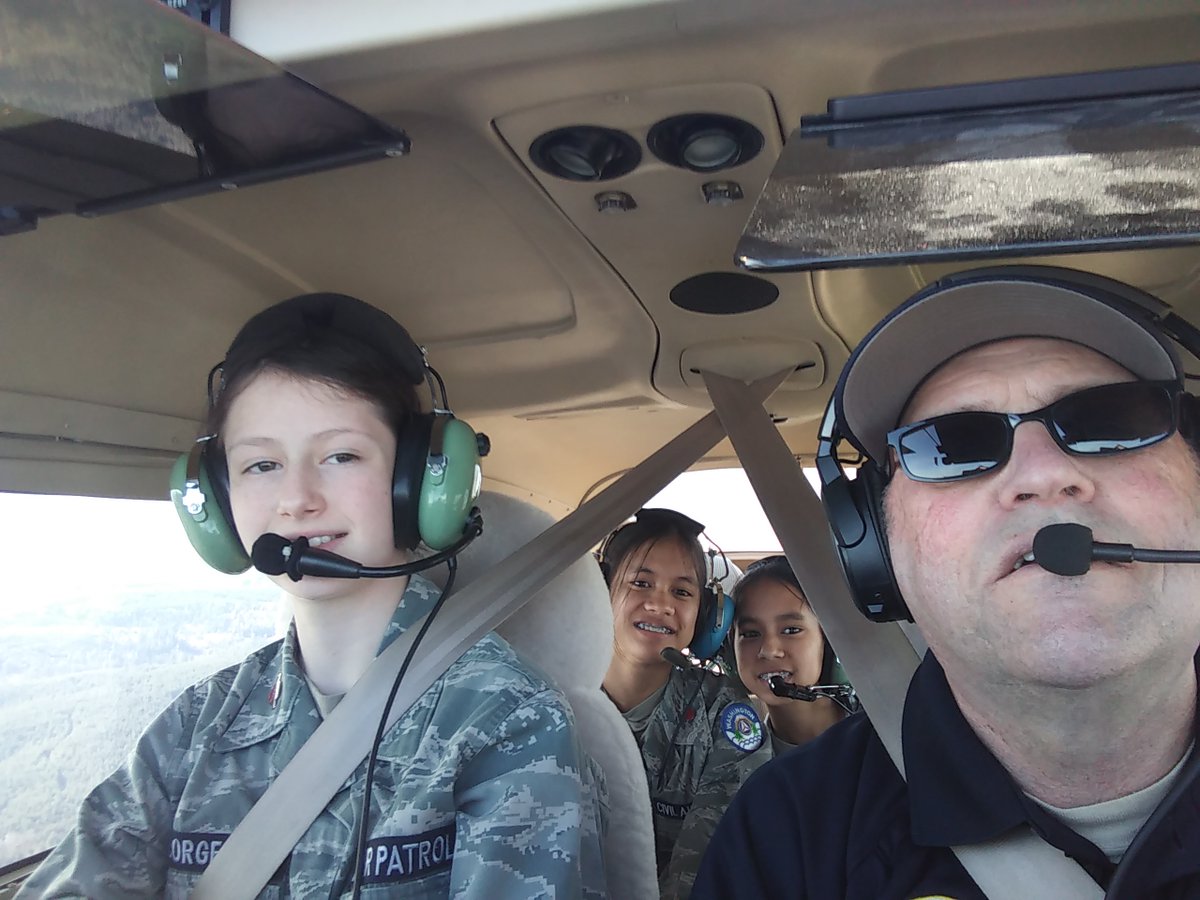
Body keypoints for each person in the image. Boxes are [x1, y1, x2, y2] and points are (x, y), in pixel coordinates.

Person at [18, 292, 607, 899]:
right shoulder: (194, 729)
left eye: (341, 455)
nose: (296, 498)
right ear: (217, 501)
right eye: (260, 466)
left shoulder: (506, 721)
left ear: (420, 482)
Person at [694, 266, 1200, 898]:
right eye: (951, 444)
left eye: (1109, 419)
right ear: (877, 547)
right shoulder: (787, 834)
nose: (1042, 476)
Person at [599, 508, 771, 900]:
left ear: (706, 614)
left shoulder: (724, 715)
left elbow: (709, 867)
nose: (660, 605)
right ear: (601, 587)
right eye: (641, 583)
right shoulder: (553, 700)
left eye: (681, 591)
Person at [729, 555, 848, 756]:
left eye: (791, 630)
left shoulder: (887, 733)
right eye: (750, 634)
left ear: (828, 641)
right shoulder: (733, 765)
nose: (768, 650)